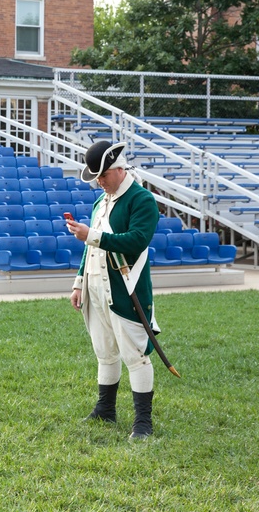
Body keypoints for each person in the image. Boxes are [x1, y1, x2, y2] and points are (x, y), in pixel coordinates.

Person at [66, 140, 161, 440]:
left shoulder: (142, 200)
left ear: (120, 169)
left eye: (103, 175)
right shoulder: (100, 203)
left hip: (126, 288)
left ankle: (142, 422)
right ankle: (106, 409)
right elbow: (89, 250)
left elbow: (135, 240)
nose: (99, 182)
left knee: (135, 355)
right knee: (105, 352)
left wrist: (92, 235)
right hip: (95, 289)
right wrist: (79, 282)